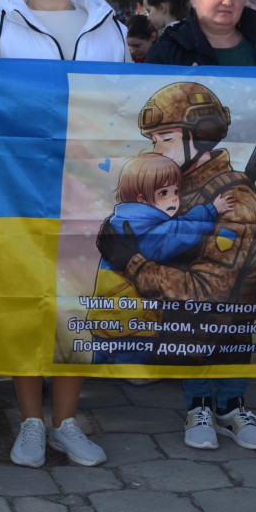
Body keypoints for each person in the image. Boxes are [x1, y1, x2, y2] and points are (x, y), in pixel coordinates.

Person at [0, 0, 126, 468]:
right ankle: (31, 421)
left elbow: (129, 100)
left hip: (92, 184)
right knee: (28, 299)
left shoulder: (106, 23)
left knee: (78, 302)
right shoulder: (2, 25)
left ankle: (66, 421)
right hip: (24, 186)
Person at [97, 81, 256, 452]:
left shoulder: (236, 201)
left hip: (225, 323)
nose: (156, 148)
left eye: (164, 138)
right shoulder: (172, 191)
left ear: (201, 136)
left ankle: (231, 409)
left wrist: (130, 260)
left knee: (223, 341)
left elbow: (208, 290)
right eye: (154, 140)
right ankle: (198, 408)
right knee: (191, 341)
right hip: (183, 332)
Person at [89, 154, 233, 364]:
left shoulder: (124, 220)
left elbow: (175, 225)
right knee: (133, 370)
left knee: (102, 367)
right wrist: (211, 212)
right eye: (163, 193)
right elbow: (177, 233)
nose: (174, 198)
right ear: (141, 199)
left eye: (176, 191)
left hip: (106, 323)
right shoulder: (144, 230)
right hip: (133, 327)